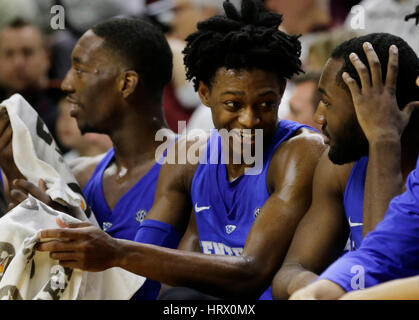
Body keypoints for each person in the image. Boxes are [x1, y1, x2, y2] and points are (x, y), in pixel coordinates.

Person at [35, 0, 325, 300]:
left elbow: (251, 272)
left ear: (280, 92)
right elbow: (148, 272)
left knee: (181, 300)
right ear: (204, 93)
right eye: (233, 105)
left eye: (265, 105)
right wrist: (57, 224)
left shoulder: (300, 151)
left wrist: (117, 251)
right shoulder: (190, 157)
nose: (249, 120)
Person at [0, 17, 176, 300]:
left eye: (80, 70)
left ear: (126, 83)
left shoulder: (193, 167)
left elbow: (194, 290)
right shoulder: (82, 176)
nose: (68, 84)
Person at [271, 32, 419, 299]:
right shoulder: (338, 166)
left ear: (379, 107)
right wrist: (316, 288)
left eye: (327, 102)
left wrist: (383, 140)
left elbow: (382, 271)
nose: (318, 117)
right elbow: (289, 272)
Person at [0, 18, 61, 142]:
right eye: (9, 54)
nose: (18, 63)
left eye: (27, 52)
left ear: (46, 57)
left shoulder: (66, 113)